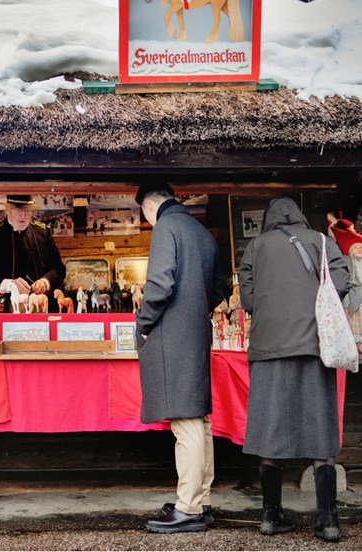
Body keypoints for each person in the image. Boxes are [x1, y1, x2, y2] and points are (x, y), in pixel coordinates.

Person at [238, 197, 351, 541]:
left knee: (269, 432)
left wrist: (273, 308)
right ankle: (328, 522)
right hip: (314, 346)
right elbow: (343, 281)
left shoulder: (256, 246)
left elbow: (247, 300)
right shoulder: (322, 241)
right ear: (300, 216)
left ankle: (271, 517)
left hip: (269, 347)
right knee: (321, 434)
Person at [136, 181, 227, 534]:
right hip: (197, 334)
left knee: (185, 424)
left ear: (148, 206)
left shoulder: (165, 228)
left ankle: (187, 507)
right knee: (199, 421)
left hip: (171, 337)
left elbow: (159, 285)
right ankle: (201, 501)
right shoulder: (202, 232)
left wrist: (144, 323)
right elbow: (218, 291)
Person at [0, 195, 65, 312]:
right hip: (5, 309)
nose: (23, 216)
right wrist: (8, 284)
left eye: (27, 211)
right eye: (19, 212)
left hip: (40, 306)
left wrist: (45, 282)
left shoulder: (43, 232)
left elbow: (59, 268)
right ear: (8, 211)